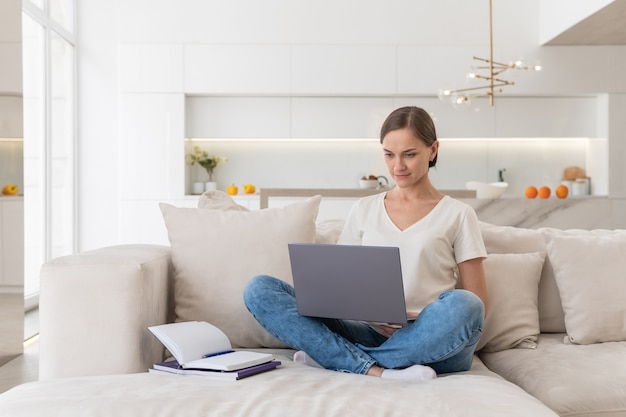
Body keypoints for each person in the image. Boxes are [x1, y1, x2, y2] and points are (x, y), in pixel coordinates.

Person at [244, 106, 488, 382]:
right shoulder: (364, 209)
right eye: (389, 154)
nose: (398, 166)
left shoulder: (458, 213)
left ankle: (341, 359)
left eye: (409, 154)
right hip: (370, 331)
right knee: (260, 289)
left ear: (433, 150)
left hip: (431, 338)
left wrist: (421, 319)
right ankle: (378, 370)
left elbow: (478, 302)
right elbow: (342, 288)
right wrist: (367, 312)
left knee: (465, 305)